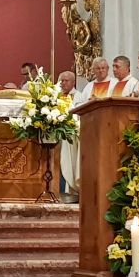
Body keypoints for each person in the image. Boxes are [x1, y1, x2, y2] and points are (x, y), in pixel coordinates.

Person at [58, 71, 79, 201]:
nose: (63, 83)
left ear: (73, 82)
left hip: (70, 136)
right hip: (57, 134)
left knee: (67, 163)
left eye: (66, 81)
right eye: (62, 81)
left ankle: (70, 193)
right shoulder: (56, 95)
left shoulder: (79, 96)